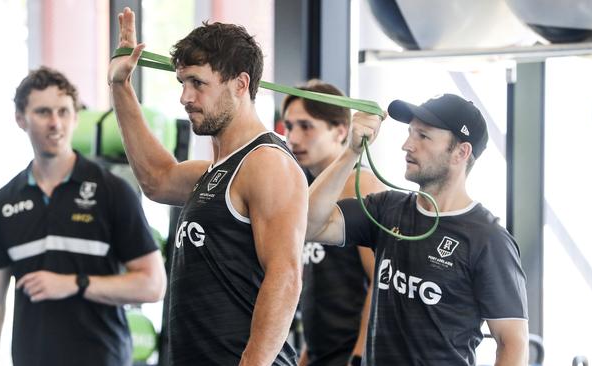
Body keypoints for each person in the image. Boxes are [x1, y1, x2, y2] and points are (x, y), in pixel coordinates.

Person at [109, 7, 307, 366]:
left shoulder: (266, 163)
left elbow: (286, 276)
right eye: (182, 82)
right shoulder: (218, 170)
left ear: (240, 84)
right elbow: (158, 179)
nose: (185, 97)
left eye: (198, 83)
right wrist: (120, 87)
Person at [306, 94, 529, 366]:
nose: (407, 145)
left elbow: (512, 342)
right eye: (410, 133)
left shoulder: (488, 238)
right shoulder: (387, 208)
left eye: (423, 136)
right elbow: (307, 225)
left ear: (461, 152)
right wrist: (351, 151)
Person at [0, 66, 166, 366]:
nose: (55, 123)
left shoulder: (112, 192)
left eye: (64, 111)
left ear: (75, 117)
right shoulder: (1, 205)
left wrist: (76, 283)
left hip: (103, 358)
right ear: (21, 119)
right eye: (43, 112)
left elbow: (153, 284)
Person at [281, 80, 384, 366]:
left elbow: (381, 281)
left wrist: (360, 357)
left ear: (340, 131)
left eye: (306, 126)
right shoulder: (308, 194)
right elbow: (322, 290)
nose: (294, 138)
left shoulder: (358, 185)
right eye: (289, 127)